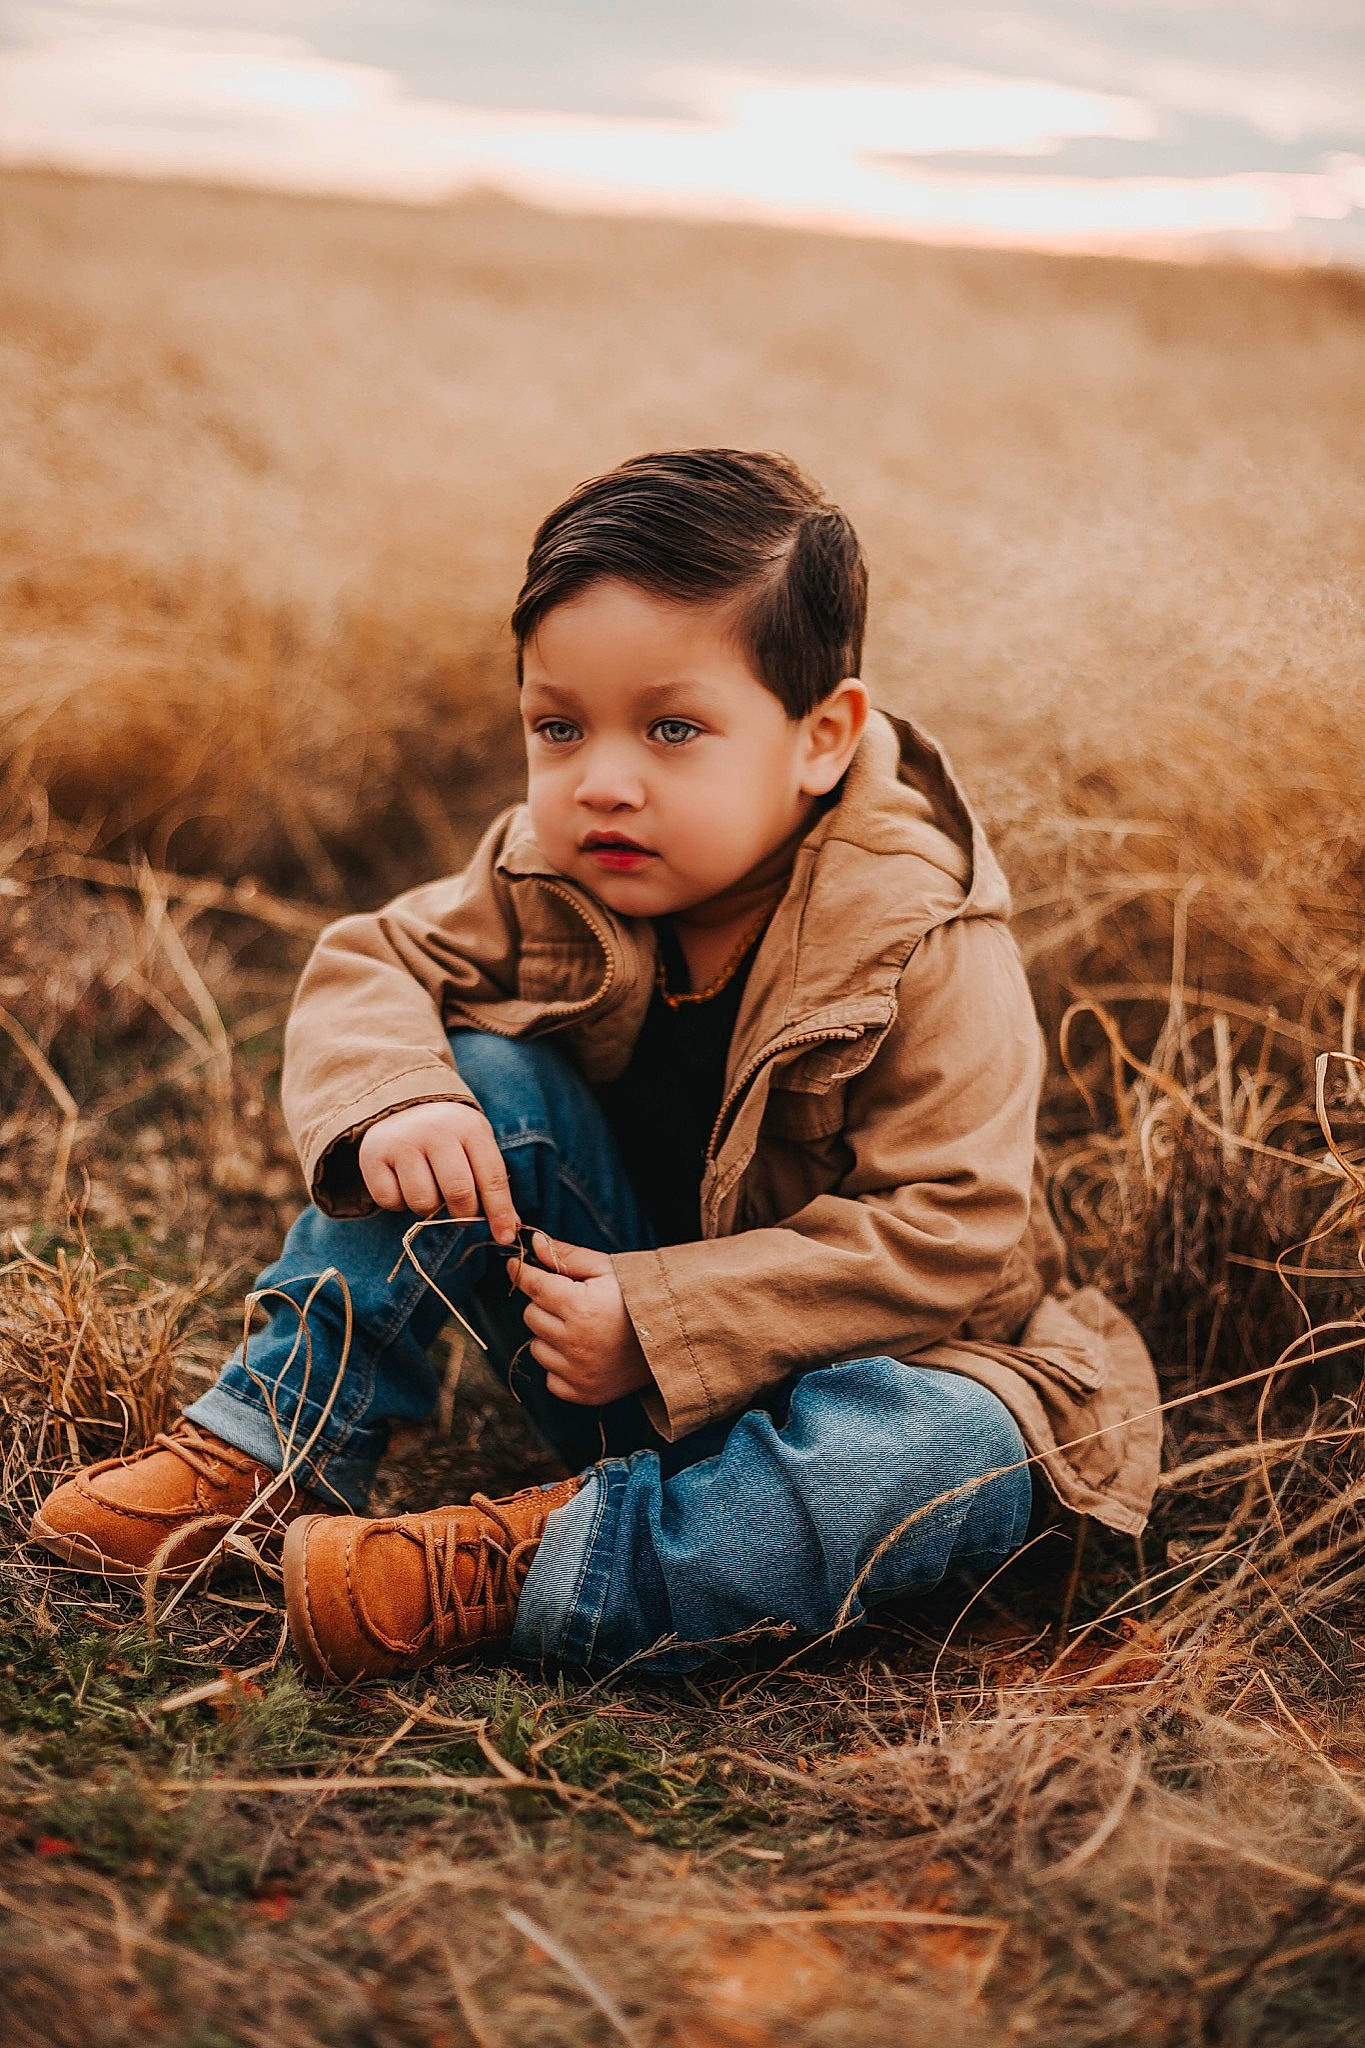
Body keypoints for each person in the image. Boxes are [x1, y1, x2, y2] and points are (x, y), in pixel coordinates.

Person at [31, 449, 1161, 1682]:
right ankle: (279, 1440)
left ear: (822, 736)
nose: (603, 781)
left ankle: (534, 1557)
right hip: (602, 1336)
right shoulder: (551, 865)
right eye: (557, 727)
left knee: (938, 1448)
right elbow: (377, 959)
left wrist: (667, 1315)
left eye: (675, 728)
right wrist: (404, 1095)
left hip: (889, 1365)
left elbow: (956, 1233)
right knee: (480, 1085)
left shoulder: (923, 939)